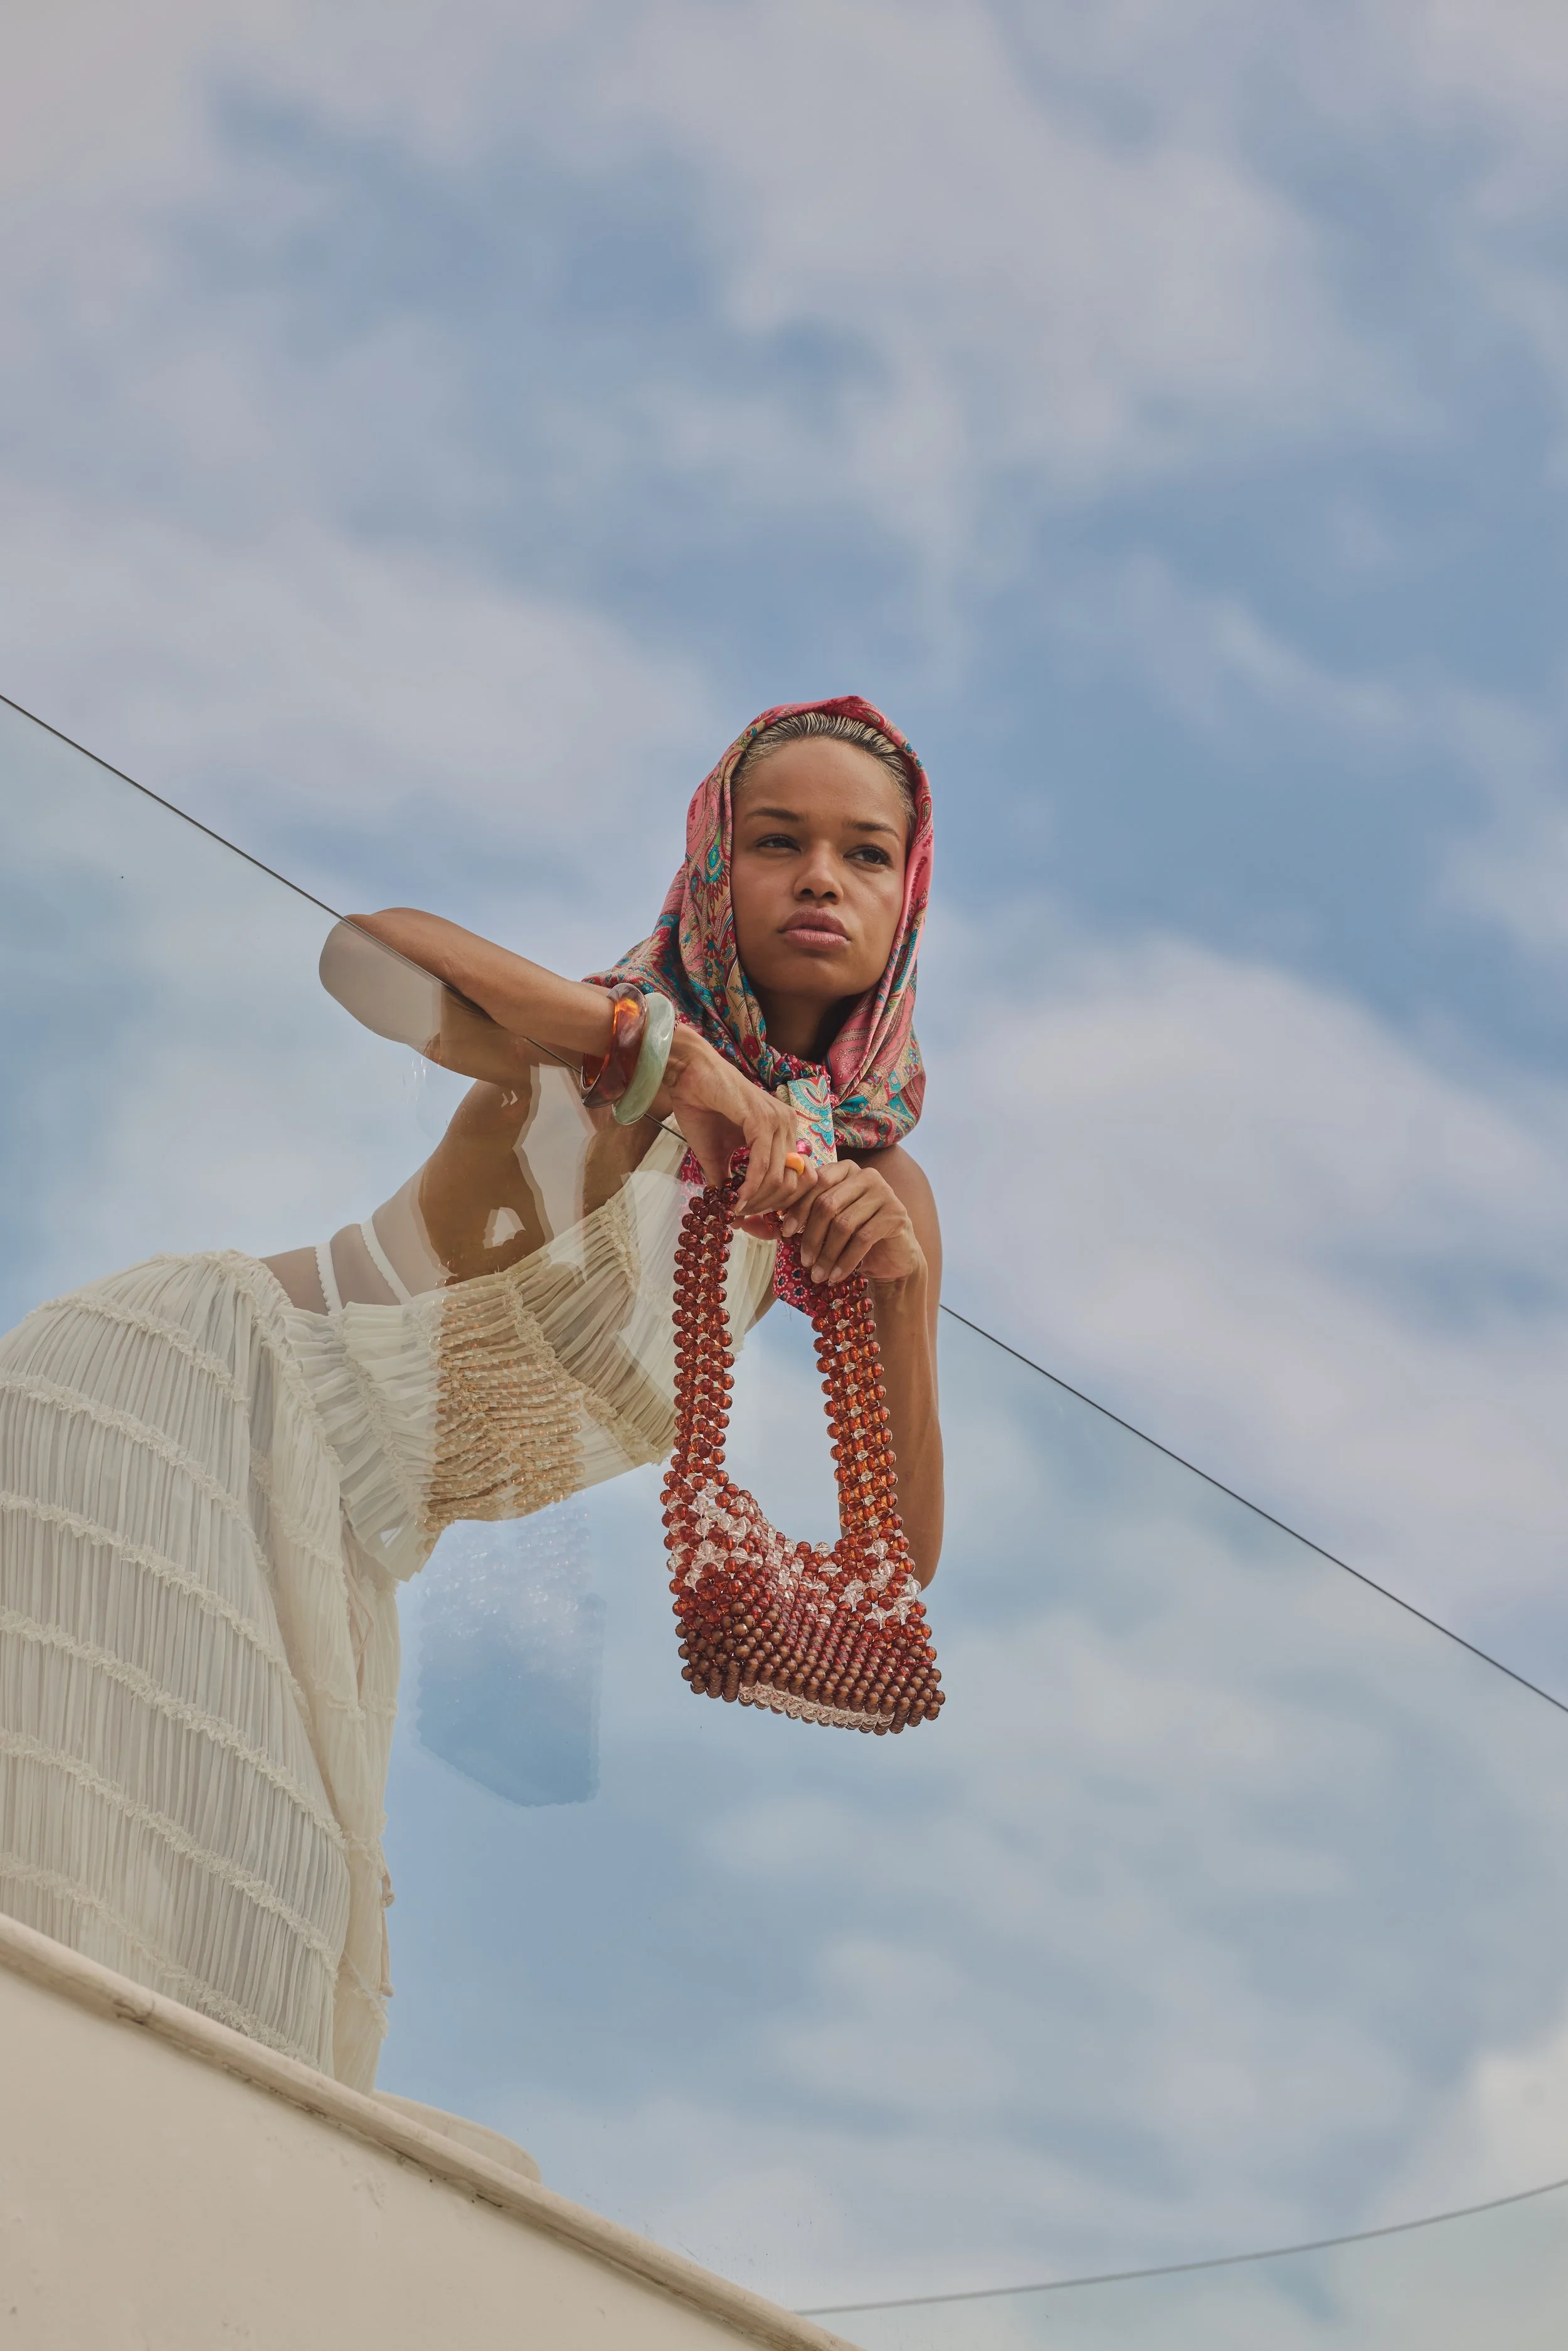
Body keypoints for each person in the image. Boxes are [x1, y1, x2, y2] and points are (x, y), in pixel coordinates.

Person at [0, 694, 941, 2091]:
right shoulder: (598, 1042)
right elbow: (363, 953)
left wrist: (902, 1291)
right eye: (775, 839)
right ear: (709, 866)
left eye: (865, 854)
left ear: (907, 900)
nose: (819, 876)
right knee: (92, 1883)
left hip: (340, 1531)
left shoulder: (867, 1182)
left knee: (230, 1942)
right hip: (186, 1394)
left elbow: (898, 1566)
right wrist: (667, 1059)